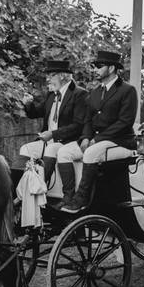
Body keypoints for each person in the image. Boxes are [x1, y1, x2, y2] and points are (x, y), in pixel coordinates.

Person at [59, 49, 138, 213]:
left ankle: (81, 200)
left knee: (90, 153)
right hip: (96, 140)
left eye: (99, 66)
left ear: (111, 68)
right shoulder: (95, 93)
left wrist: (97, 139)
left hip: (121, 141)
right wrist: (86, 137)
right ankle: (67, 198)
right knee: (64, 152)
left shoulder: (127, 90)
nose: (95, 69)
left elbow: (125, 122)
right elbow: (88, 120)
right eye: (94, 66)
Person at [19, 59, 87, 195]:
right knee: (25, 149)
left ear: (62, 76)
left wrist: (53, 134)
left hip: (68, 142)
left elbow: (78, 126)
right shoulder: (52, 95)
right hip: (49, 140)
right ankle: (26, 190)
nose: (48, 80)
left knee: (51, 148)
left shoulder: (79, 94)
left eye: (51, 76)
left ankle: (40, 189)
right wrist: (28, 104)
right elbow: (35, 113)